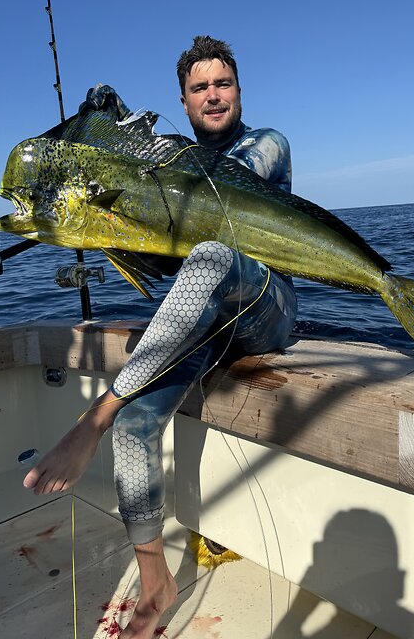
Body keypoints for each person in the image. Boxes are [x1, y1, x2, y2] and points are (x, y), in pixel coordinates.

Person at [22, 35, 297, 638]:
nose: (212, 95)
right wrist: (101, 218)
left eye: (222, 83)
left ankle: (91, 418)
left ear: (239, 91)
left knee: (215, 251)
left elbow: (219, 202)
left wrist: (132, 179)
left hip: (264, 306)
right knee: (136, 426)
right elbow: (166, 266)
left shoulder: (265, 145)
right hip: (207, 318)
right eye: (199, 88)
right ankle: (156, 580)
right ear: (184, 99)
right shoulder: (170, 170)